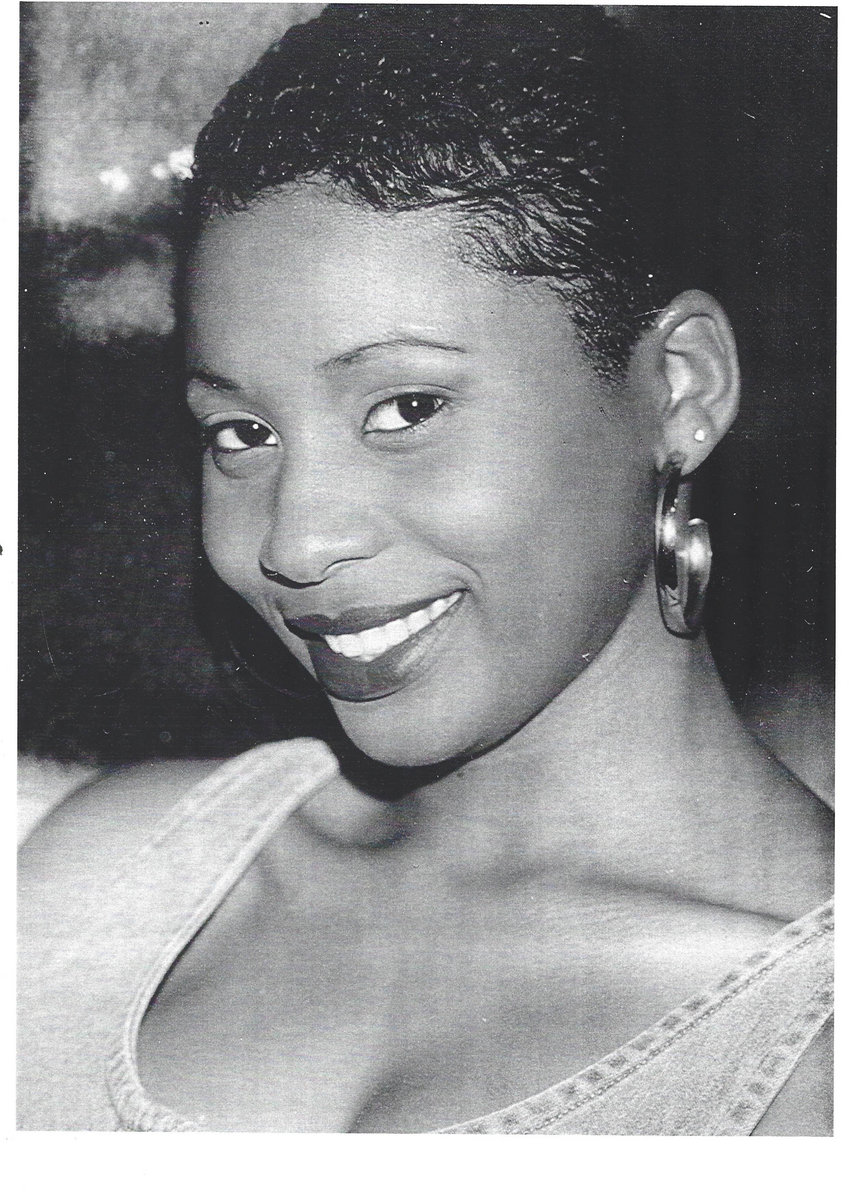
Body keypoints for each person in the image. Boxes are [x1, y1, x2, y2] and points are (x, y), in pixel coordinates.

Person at [18, 5, 833, 1134]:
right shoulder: (107, 879)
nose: (295, 543)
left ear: (678, 389)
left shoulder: (814, 1062)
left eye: (405, 408)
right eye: (241, 434)